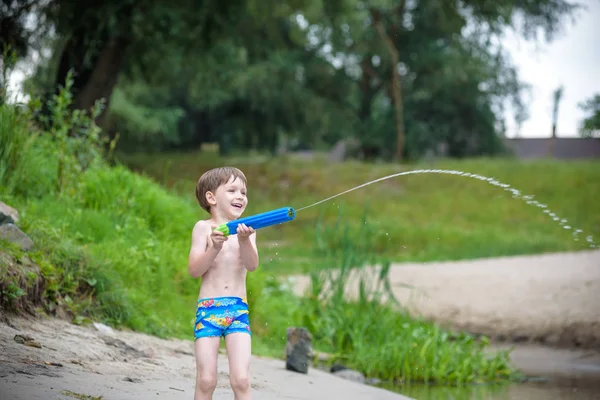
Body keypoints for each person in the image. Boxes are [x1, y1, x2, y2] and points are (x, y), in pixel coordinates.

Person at [188, 166, 259, 400]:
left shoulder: (248, 230)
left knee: (241, 380)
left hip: (238, 310)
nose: (240, 196)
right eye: (232, 190)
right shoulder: (203, 228)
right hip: (208, 310)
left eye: (243, 192)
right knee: (206, 380)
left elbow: (251, 265)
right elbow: (194, 270)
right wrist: (214, 247)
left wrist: (245, 240)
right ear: (211, 198)